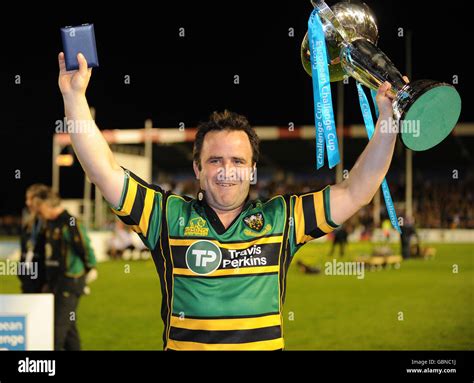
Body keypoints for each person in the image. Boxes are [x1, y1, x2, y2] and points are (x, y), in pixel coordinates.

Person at [57, 51, 407, 350]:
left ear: (253, 170)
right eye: (215, 160)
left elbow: (357, 190)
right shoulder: (167, 216)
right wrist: (74, 97)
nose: (227, 171)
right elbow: (103, 171)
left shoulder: (282, 218)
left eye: (238, 161)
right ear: (197, 168)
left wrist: (387, 123)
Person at [33, 188, 97, 350]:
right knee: (69, 331)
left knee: (56, 333)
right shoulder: (50, 223)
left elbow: (84, 246)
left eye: (39, 208)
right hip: (56, 282)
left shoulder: (70, 221)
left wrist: (91, 268)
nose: (38, 213)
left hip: (70, 281)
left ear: (47, 205)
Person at [18, 184, 49, 293]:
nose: (27, 203)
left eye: (30, 199)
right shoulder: (28, 224)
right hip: (28, 280)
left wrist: (48, 282)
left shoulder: (50, 225)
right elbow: (24, 252)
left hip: (44, 282)